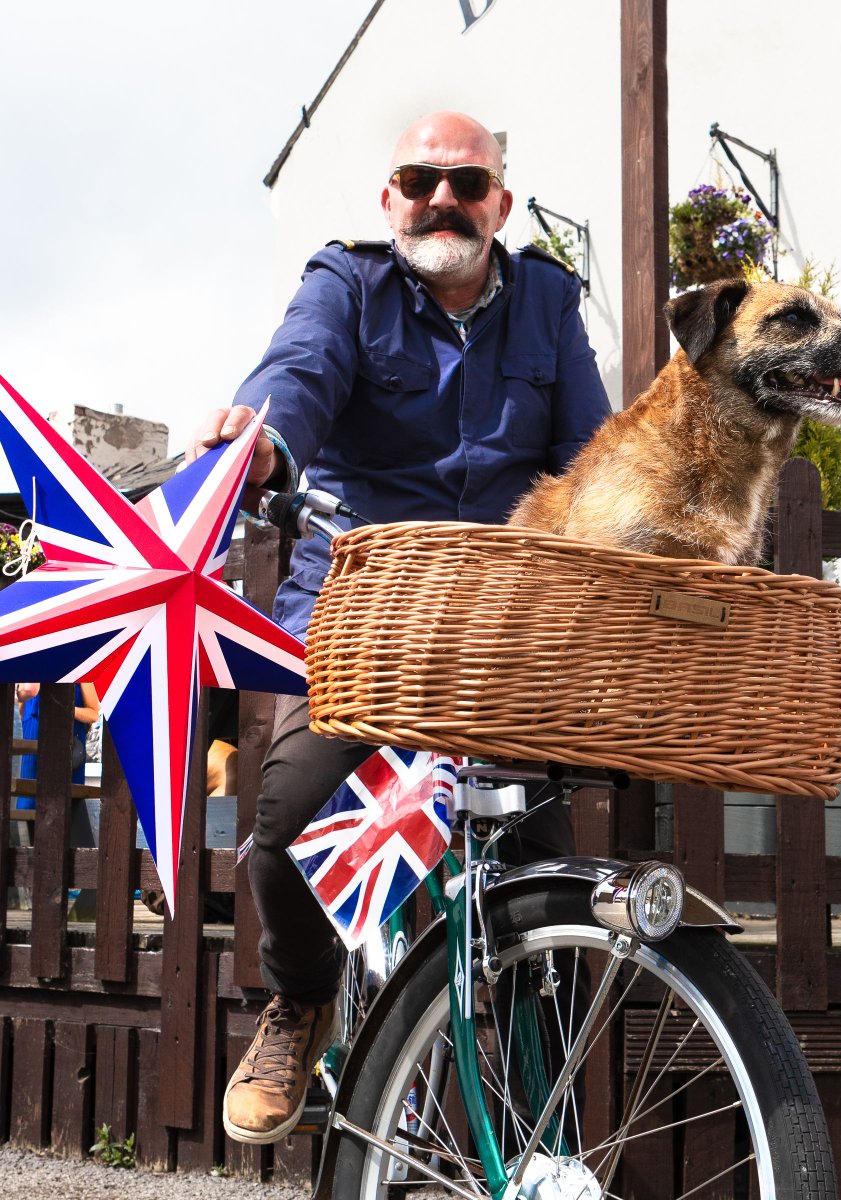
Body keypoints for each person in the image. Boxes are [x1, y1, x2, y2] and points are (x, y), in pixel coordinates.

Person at [187, 111, 611, 1145]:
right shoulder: (349, 282)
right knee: (287, 820)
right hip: (359, 613)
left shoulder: (549, 300)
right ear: (390, 200)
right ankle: (300, 999)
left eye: (467, 183)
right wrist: (263, 441)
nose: (441, 199)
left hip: (503, 628)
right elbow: (297, 372)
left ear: (500, 204)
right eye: (419, 180)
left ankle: (539, 1118)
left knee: (545, 880)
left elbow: (593, 460)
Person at [16, 681, 100, 792]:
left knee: (65, 795)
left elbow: (93, 714)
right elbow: (20, 710)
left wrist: (66, 709)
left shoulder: (79, 674)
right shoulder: (30, 674)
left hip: (68, 745)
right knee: (29, 792)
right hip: (32, 740)